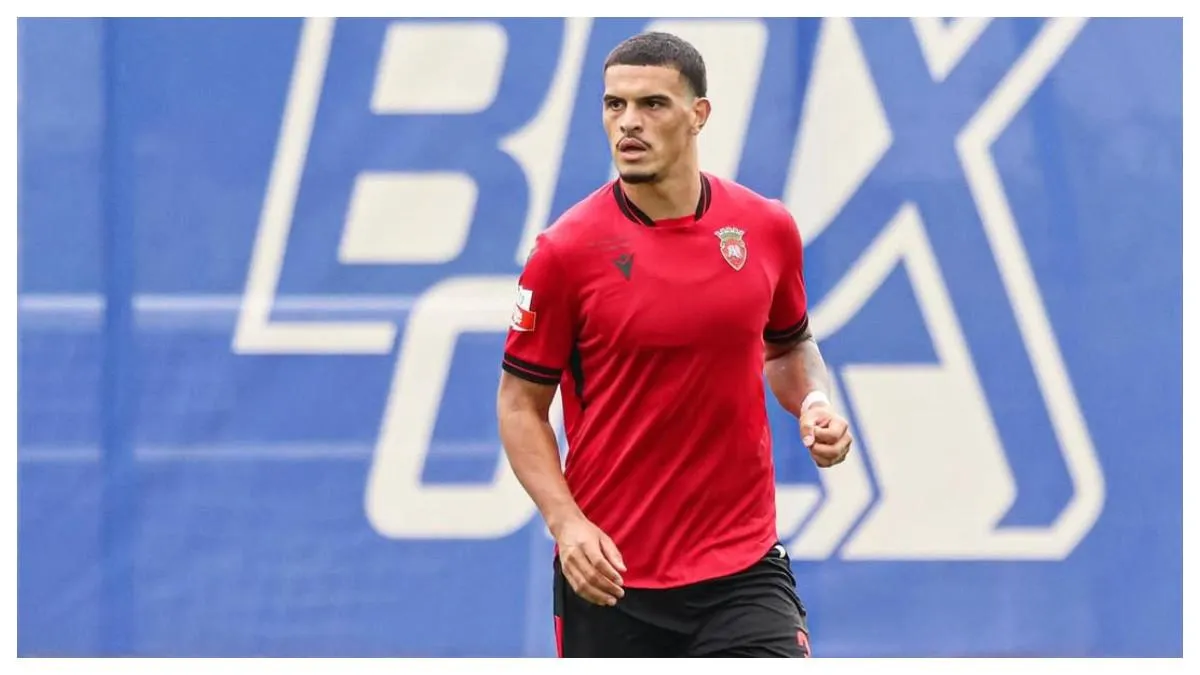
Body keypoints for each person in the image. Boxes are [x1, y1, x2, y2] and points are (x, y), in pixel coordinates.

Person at [495, 30, 853, 658]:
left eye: (652, 104)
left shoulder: (765, 228)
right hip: (612, 576)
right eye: (615, 104)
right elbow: (520, 406)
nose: (628, 122)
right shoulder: (565, 253)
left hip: (743, 567)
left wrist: (815, 403)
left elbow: (789, 346)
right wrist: (566, 522)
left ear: (698, 114)